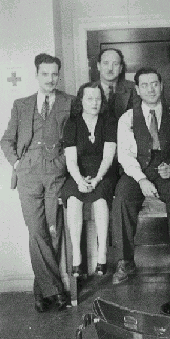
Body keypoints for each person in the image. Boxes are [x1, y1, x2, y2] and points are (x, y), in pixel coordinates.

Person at [1, 53, 74, 312]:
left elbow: (75, 140)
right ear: (37, 75)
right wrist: (18, 164)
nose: (51, 79)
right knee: (36, 230)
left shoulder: (70, 102)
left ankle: (43, 291)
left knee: (53, 231)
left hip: (56, 173)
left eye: (55, 74)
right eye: (45, 74)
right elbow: (6, 140)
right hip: (28, 174)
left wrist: (64, 162)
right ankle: (55, 290)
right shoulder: (21, 105)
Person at [111, 67, 170, 285]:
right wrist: (141, 179)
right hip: (136, 170)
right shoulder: (127, 118)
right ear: (137, 89)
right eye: (144, 85)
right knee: (122, 199)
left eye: (154, 83)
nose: (150, 89)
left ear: (161, 85)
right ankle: (125, 260)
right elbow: (125, 155)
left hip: (165, 168)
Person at [61, 83, 118, 277]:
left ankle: (102, 255)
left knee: (101, 198)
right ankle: (77, 256)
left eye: (98, 99)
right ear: (81, 101)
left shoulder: (109, 121)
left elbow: (108, 157)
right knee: (73, 200)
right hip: (78, 171)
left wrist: (96, 179)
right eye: (89, 99)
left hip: (104, 170)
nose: (94, 103)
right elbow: (70, 159)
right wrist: (79, 180)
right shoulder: (72, 123)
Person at [91, 48, 137, 119]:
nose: (110, 68)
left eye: (115, 64)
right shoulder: (87, 90)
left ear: (121, 68)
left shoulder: (134, 89)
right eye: (106, 63)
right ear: (98, 66)